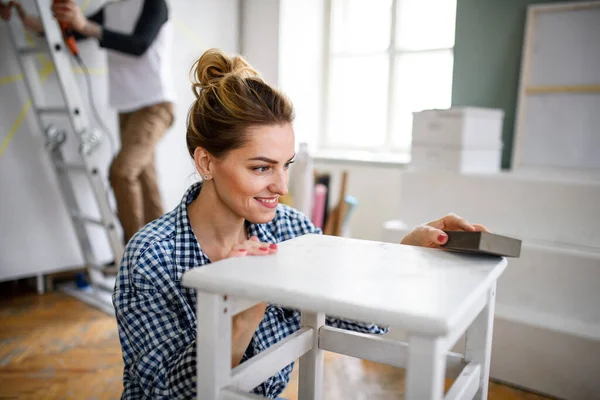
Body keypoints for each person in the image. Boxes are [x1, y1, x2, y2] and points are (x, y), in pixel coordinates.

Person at [110, 48, 490, 399]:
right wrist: (239, 320)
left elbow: (358, 321)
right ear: (206, 163)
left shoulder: (290, 230)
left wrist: (405, 256)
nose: (282, 186)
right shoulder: (151, 258)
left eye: (286, 165)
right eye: (261, 167)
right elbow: (159, 395)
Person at [15, 0, 176, 245]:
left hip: (156, 106)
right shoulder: (111, 9)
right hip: (126, 108)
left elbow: (139, 44)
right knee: (145, 180)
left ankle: (135, 255)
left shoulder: (154, 4)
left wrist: (86, 26)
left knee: (122, 172)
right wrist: (28, 20)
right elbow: (74, 32)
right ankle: (166, 253)